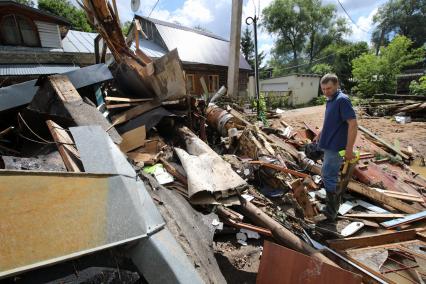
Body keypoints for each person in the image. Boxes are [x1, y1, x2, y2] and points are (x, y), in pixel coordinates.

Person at [314, 74, 358, 222]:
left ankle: (331, 211)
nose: (326, 91)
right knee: (328, 174)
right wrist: (321, 132)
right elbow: (330, 120)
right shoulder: (330, 100)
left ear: (337, 85)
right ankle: (331, 206)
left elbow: (353, 123)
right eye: (323, 89)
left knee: (328, 176)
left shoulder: (342, 100)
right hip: (328, 143)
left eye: (329, 88)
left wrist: (349, 149)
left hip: (337, 146)